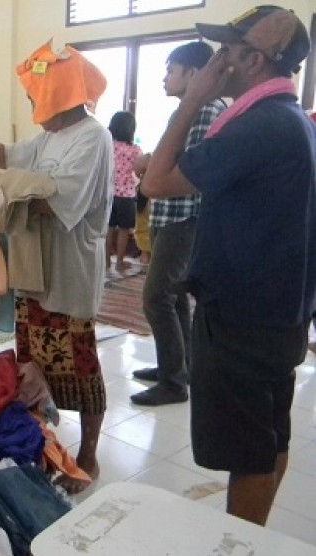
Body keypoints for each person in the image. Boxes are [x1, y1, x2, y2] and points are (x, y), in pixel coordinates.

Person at [143, 6, 315, 526]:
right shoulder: (291, 120)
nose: (218, 61)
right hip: (276, 310)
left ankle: (241, 541)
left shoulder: (259, 127)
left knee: (249, 449)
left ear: (254, 59)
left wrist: (192, 101)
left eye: (228, 50)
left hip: (244, 317)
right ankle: (252, 536)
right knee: (268, 433)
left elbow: (155, 180)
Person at [0, 38, 112, 494]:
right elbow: (11, 158)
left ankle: (90, 452)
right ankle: (37, 443)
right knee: (32, 365)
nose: (33, 102)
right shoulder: (52, 137)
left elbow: (51, 198)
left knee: (79, 370)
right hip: (34, 272)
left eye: (37, 94)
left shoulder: (93, 138)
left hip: (68, 276)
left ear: (58, 94)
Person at [130, 41, 226, 407]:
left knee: (156, 297)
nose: (164, 78)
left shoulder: (203, 111)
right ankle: (179, 366)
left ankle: (173, 382)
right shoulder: (193, 110)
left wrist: (150, 164)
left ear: (193, 73)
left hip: (184, 217)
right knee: (173, 298)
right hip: (173, 215)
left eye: (171, 70)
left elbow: (188, 167)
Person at [106, 111, 141, 273]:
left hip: (108, 194)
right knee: (124, 230)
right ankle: (119, 262)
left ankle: (105, 261)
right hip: (126, 196)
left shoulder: (108, 147)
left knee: (108, 228)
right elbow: (139, 171)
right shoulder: (135, 150)